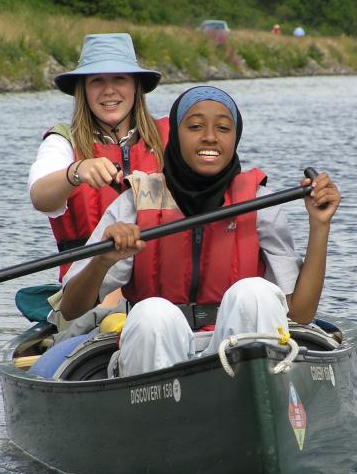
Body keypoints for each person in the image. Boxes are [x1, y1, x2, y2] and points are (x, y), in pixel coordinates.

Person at [59, 85, 341, 378]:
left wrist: (320, 226)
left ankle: (255, 399)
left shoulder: (260, 202)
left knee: (255, 293)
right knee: (152, 312)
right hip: (158, 355)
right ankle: (157, 414)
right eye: (194, 126)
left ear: (236, 137)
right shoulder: (135, 201)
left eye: (223, 127)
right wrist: (102, 260)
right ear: (176, 136)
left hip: (238, 357)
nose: (210, 137)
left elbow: (301, 314)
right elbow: (71, 309)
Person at [28, 33, 169, 322]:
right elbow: (41, 197)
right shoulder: (62, 142)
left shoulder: (171, 137)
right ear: (83, 90)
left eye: (119, 79)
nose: (109, 91)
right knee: (112, 317)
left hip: (162, 286)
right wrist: (75, 172)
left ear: (135, 86)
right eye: (97, 81)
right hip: (87, 294)